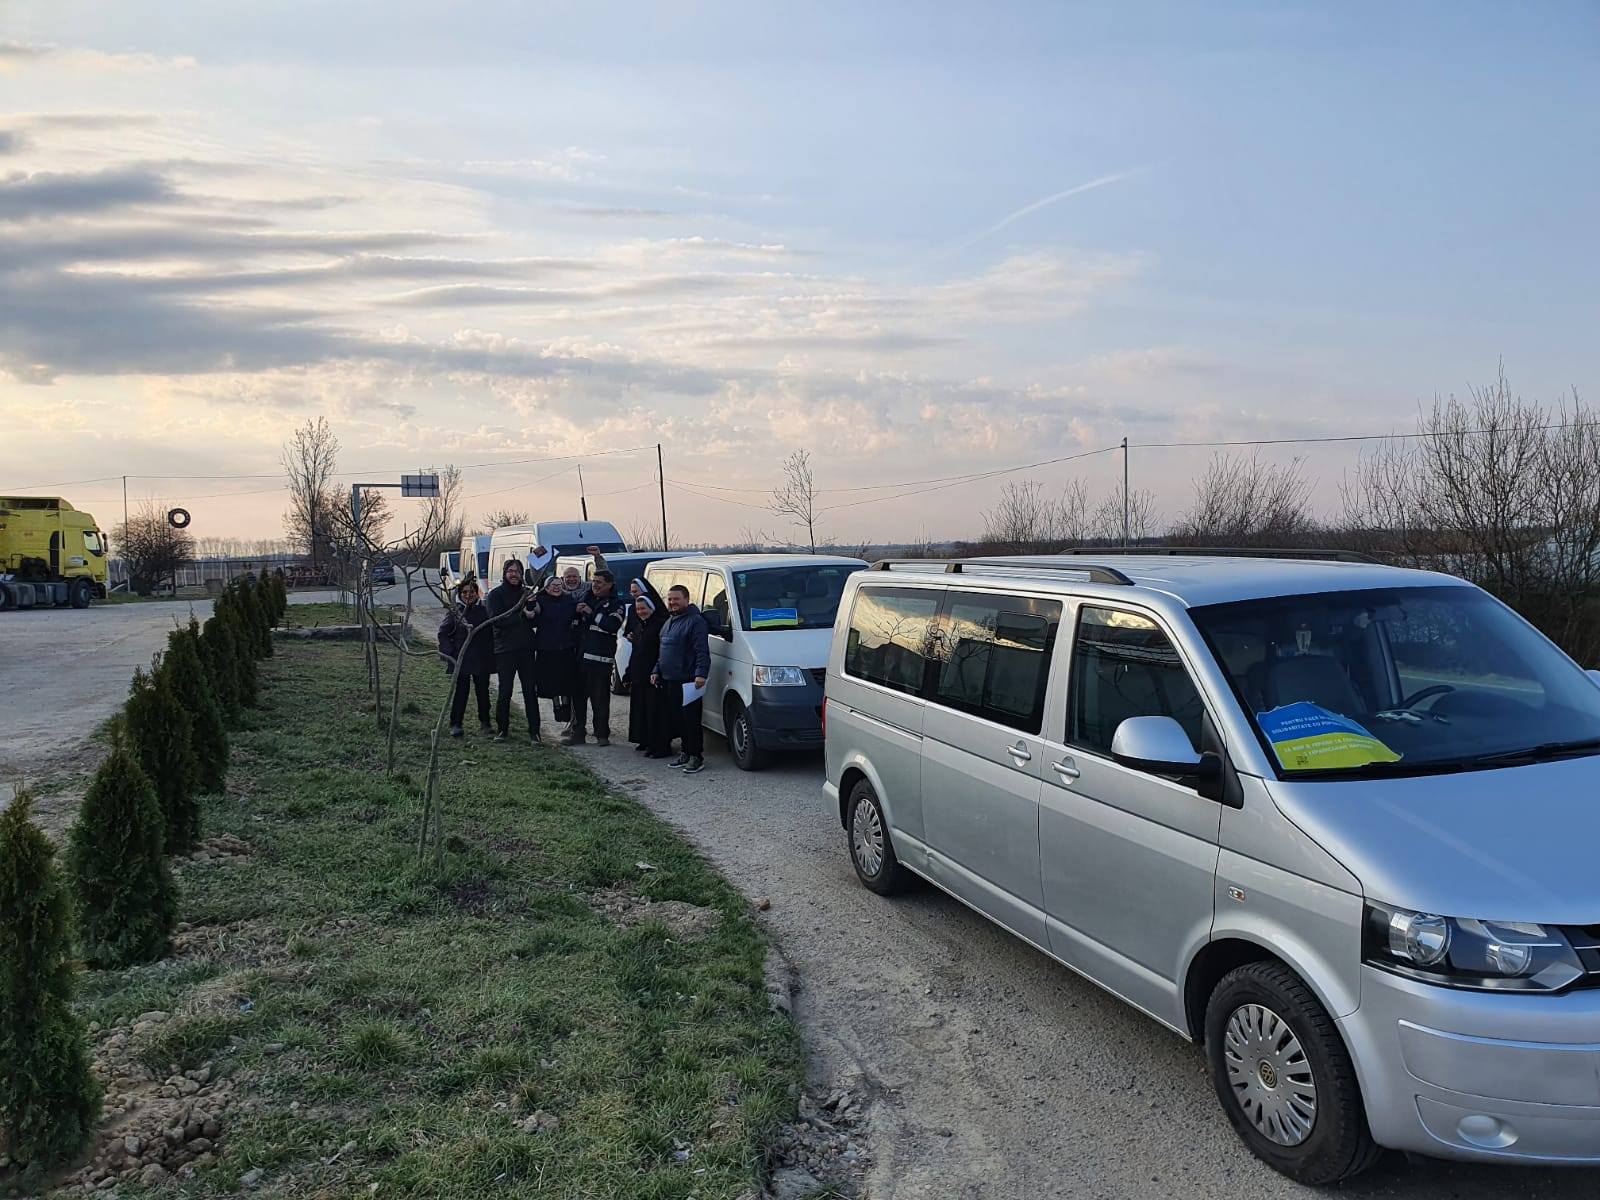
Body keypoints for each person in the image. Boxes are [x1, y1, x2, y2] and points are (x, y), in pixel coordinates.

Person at [565, 568, 629, 746]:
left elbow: (611, 625)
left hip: (600, 660)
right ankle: (578, 733)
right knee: (578, 698)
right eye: (594, 581)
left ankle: (602, 734)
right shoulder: (586, 598)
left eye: (599, 582)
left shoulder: (617, 604)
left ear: (609, 585)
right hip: (580, 658)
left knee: (599, 699)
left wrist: (590, 613)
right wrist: (576, 611)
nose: (595, 585)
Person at [652, 583, 710, 773]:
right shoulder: (669, 621)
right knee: (678, 720)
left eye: (676, 599)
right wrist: (656, 670)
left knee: (691, 720)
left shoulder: (695, 621)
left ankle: (696, 757)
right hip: (670, 679)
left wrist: (701, 674)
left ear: (686, 599)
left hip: (689, 681)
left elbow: (702, 650)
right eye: (669, 599)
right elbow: (662, 651)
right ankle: (685, 752)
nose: (672, 602)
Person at [484, 558, 540, 743]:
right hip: (505, 649)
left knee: (529, 692)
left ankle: (534, 732)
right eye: (510, 571)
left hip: (526, 649)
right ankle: (502, 730)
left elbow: (534, 621)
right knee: (505, 691)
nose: (514, 574)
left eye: (517, 571)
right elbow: (497, 620)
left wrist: (532, 608)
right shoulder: (495, 595)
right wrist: (522, 615)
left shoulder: (527, 593)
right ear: (505, 573)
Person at [437, 576, 493, 737]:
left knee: (483, 693)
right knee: (461, 692)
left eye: (472, 592)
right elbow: (443, 633)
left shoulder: (484, 611)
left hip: (481, 659)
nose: (468, 595)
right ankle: (456, 723)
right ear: (460, 594)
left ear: (477, 593)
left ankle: (485, 723)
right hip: (461, 660)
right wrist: (448, 654)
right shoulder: (455, 612)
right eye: (465, 592)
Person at [622, 576, 667, 753]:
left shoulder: (660, 625)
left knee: (655, 712)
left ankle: (658, 745)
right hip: (640, 675)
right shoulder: (640, 625)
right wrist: (628, 673)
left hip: (654, 675)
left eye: (643, 609)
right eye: (638, 609)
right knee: (640, 709)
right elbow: (636, 651)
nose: (640, 611)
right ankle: (644, 740)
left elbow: (661, 651)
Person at [532, 572, 578, 727]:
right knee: (551, 680)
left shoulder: (569, 600)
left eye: (559, 585)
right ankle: (556, 705)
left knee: (566, 679)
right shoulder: (541, 600)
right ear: (547, 587)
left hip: (566, 646)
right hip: (547, 647)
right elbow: (533, 613)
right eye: (554, 586)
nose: (557, 588)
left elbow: (575, 614)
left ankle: (565, 706)